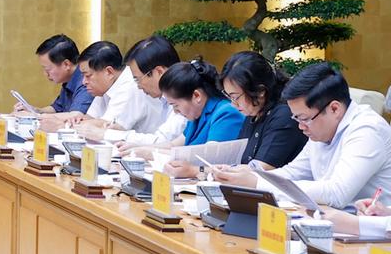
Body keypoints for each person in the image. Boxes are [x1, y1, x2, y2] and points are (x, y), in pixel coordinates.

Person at [214, 63, 391, 207]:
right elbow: (293, 172)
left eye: (304, 118)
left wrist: (257, 183)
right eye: (296, 118)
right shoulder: (320, 127)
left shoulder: (367, 130)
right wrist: (249, 176)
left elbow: (336, 193)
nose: (300, 126)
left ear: (334, 109)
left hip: (367, 232)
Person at [148, 59, 246, 177]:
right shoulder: (196, 115)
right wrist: (140, 149)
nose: (175, 111)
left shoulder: (226, 113)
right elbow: (174, 146)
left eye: (175, 105)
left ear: (196, 96)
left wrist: (149, 152)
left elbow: (209, 159)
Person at [46, 41, 165, 134]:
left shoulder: (130, 86)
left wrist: (64, 126)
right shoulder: (105, 88)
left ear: (109, 72)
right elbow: (90, 118)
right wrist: (76, 121)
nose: (84, 82)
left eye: (88, 76)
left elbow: (107, 127)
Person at [84, 36, 181, 146]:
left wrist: (109, 134)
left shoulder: (184, 96)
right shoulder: (164, 99)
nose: (138, 86)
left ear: (159, 72)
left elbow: (162, 141)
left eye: (138, 79)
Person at [217, 51, 306, 170]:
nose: (233, 104)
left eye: (235, 97)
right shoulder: (253, 114)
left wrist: (199, 170)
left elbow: (260, 169)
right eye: (229, 97)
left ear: (260, 91)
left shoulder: (284, 115)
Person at [19, 35, 92, 115]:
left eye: (47, 69)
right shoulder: (68, 79)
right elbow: (57, 108)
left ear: (66, 64)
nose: (45, 74)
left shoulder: (85, 81)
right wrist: (35, 110)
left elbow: (75, 116)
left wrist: (36, 116)